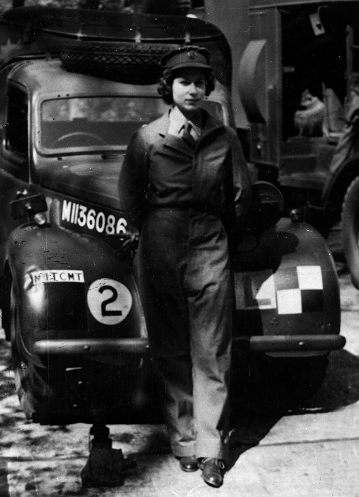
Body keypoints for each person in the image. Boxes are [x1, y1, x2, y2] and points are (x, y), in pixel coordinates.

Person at [118, 45, 251, 488]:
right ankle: (184, 442)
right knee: (171, 348)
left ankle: (212, 450)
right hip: (160, 243)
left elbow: (240, 196)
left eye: (199, 81)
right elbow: (131, 199)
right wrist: (154, 233)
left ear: (208, 87)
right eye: (183, 81)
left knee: (212, 350)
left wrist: (218, 235)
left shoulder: (224, 137)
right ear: (168, 88)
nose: (192, 89)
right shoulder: (147, 138)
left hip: (210, 243)